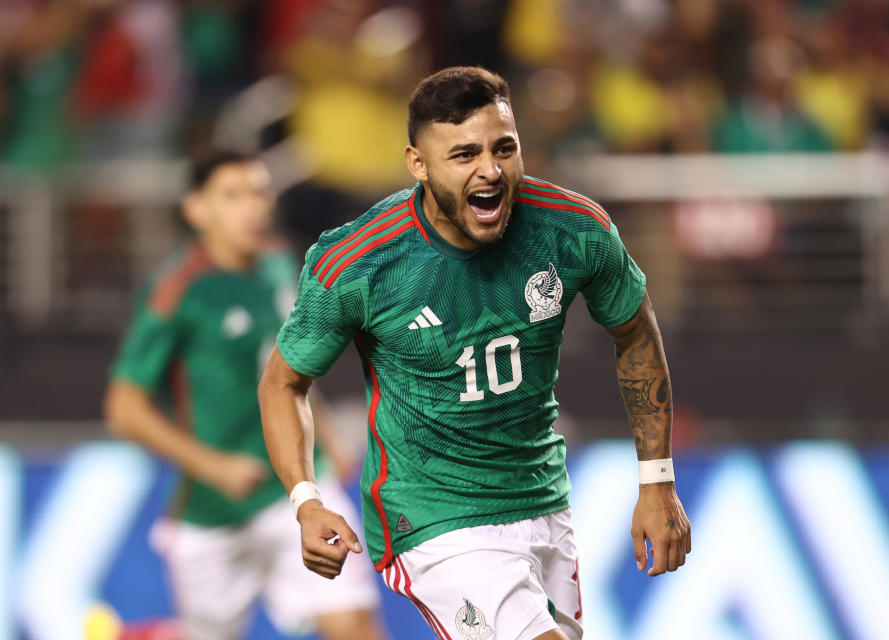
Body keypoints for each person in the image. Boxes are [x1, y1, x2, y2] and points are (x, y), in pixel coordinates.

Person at [258, 67, 691, 640]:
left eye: (503, 148)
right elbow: (282, 383)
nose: (490, 170)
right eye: (463, 155)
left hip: (541, 500)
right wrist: (307, 501)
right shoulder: (360, 261)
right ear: (418, 164)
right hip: (433, 517)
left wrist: (657, 481)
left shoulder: (574, 230)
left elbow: (635, 332)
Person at [103, 151, 387, 640]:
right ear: (196, 210)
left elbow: (286, 373)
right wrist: (212, 465)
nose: (252, 206)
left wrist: (329, 442)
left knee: (353, 623)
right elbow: (123, 410)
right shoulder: (178, 289)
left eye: (258, 192)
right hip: (215, 510)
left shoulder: (282, 265)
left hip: (298, 490)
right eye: (232, 195)